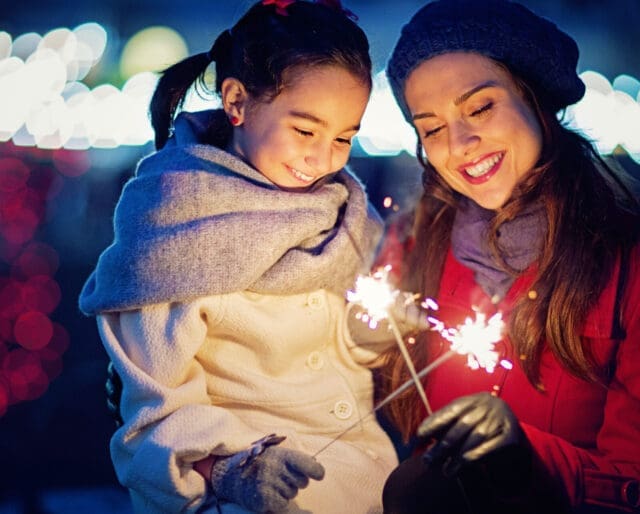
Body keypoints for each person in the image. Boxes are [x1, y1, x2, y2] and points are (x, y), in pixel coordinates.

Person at [78, 1, 400, 512]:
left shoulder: (343, 214)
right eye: (305, 130)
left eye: (344, 137)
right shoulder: (180, 228)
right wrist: (231, 468)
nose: (324, 158)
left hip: (372, 483)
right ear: (237, 102)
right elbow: (151, 417)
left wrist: (366, 335)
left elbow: (329, 357)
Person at [377, 0, 640, 513]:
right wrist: (364, 351)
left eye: (479, 108)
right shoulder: (414, 245)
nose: (461, 143)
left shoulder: (626, 260)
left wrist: (526, 459)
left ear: (534, 98)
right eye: (431, 128)